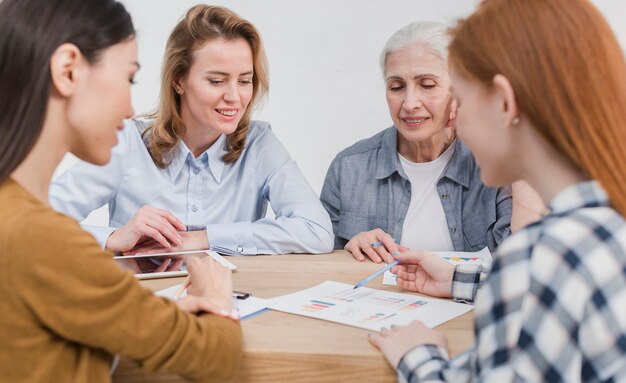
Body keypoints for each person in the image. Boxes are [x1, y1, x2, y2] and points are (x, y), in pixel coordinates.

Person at [369, 0, 626, 380]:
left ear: (505, 103)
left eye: (460, 99)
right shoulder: (601, 223)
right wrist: (456, 279)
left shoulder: (541, 255)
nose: (456, 122)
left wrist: (420, 358)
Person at [0, 0, 243, 381]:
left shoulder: (15, 215)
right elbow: (215, 357)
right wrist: (215, 296)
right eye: (127, 78)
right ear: (67, 71)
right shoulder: (42, 238)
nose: (131, 109)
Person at [50, 5, 334, 256]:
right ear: (178, 81)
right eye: (216, 81)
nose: (235, 97)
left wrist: (203, 239)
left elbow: (316, 230)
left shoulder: (259, 145)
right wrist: (111, 237)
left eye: (245, 81)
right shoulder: (128, 143)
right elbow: (34, 220)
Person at [320, 21, 514, 265]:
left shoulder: (496, 164)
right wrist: (349, 249)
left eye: (427, 85)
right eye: (397, 86)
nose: (410, 103)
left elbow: (525, 261)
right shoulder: (348, 168)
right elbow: (322, 264)